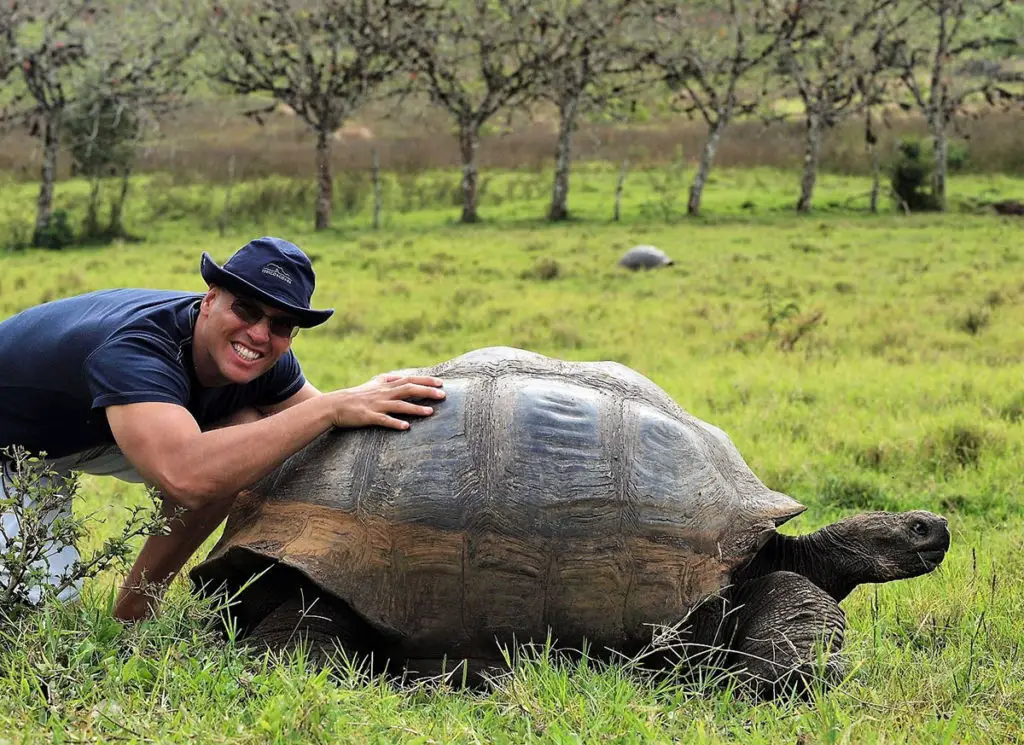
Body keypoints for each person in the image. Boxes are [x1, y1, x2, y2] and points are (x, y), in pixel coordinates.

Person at [0, 236, 445, 621]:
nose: (258, 334)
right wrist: (330, 407)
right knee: (30, 613)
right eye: (246, 309)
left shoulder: (264, 359)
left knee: (251, 432)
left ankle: (134, 611)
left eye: (280, 324)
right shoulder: (139, 349)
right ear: (209, 300)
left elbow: (326, 439)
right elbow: (185, 474)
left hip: (81, 431)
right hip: (12, 447)